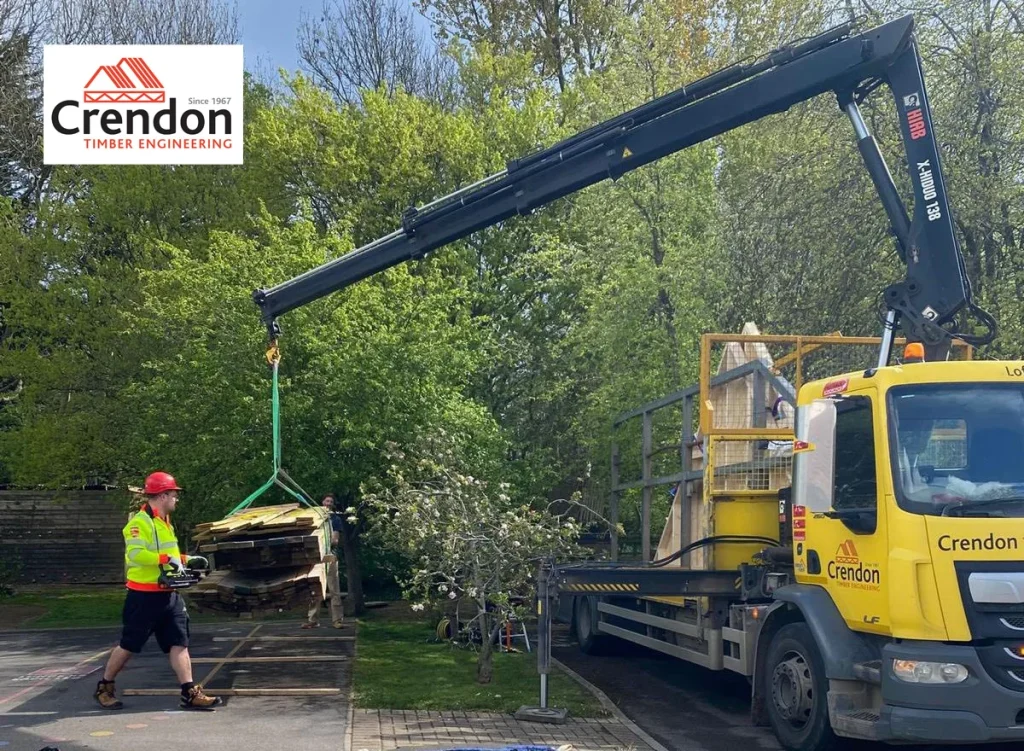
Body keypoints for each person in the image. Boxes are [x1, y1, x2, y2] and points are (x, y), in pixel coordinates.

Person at [94, 471, 222, 711]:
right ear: (162, 495)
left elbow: (169, 557)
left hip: (169, 594)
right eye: (174, 494)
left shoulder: (164, 523)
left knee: (179, 643)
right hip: (143, 596)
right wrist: (166, 558)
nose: (176, 499)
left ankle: (189, 692)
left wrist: (186, 559)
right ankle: (105, 686)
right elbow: (136, 555)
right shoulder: (138, 524)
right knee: (129, 645)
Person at [303, 493, 344, 629]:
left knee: (334, 590)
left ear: (332, 505)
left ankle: (337, 620)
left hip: (330, 557)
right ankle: (312, 620)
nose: (328, 503)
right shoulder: (316, 518)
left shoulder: (335, 519)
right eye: (327, 501)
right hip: (316, 558)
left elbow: (335, 541)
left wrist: (323, 542)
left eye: (331, 502)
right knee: (315, 589)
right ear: (322, 502)